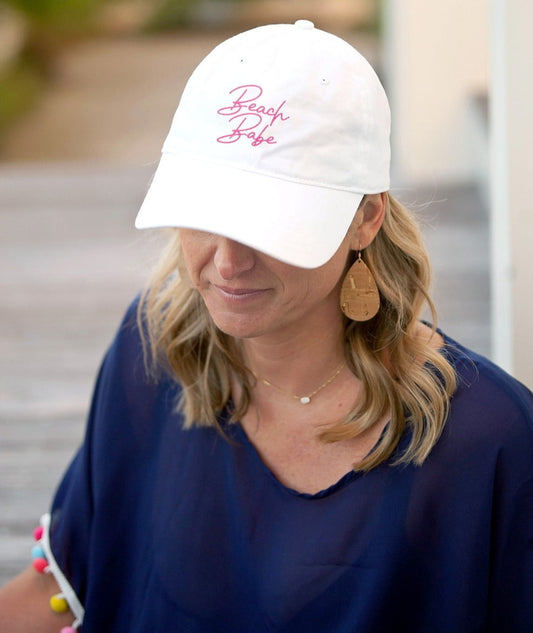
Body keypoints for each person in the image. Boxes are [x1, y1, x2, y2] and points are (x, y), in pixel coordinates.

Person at [0, 20, 532, 633]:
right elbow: (63, 586)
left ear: (366, 218)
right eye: (203, 211)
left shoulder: (490, 442)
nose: (227, 263)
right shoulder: (154, 349)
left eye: (270, 225)